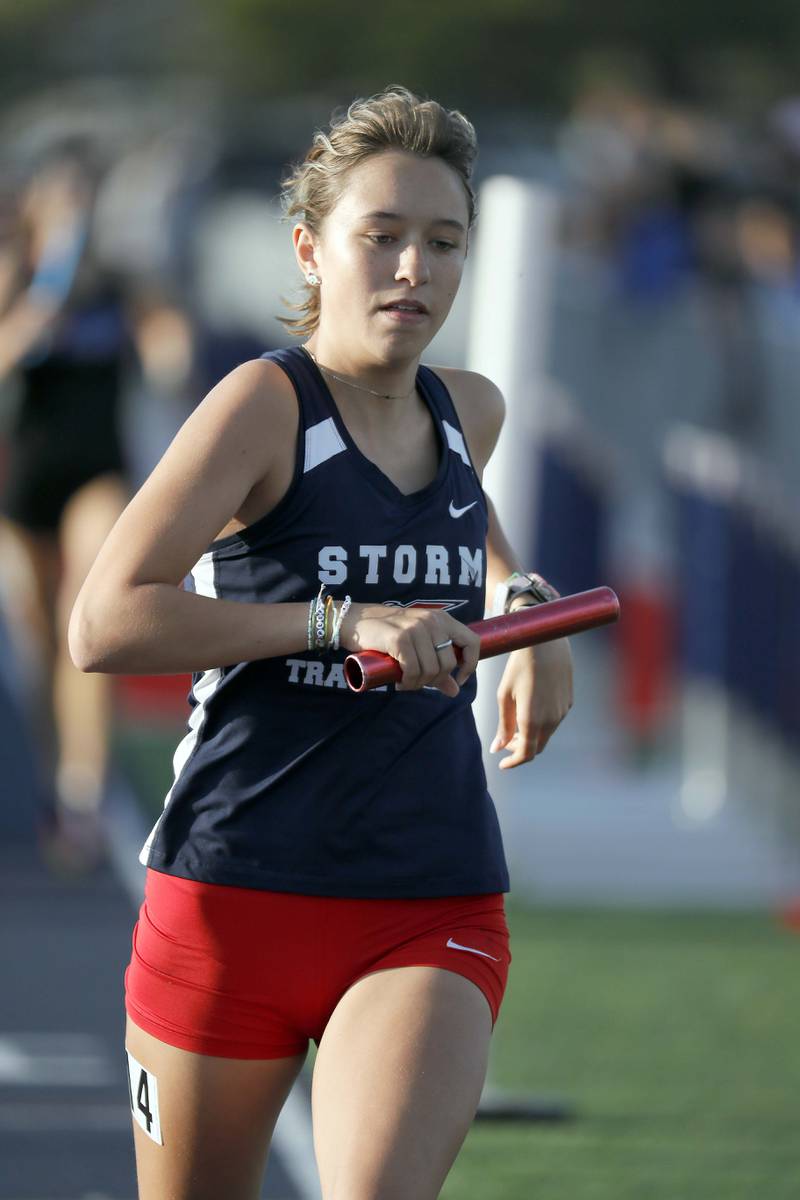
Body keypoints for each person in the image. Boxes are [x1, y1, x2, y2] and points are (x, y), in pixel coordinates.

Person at [69, 87, 573, 1200]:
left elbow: (469, 534)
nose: (412, 268)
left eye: (441, 242)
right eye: (380, 236)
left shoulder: (466, 411)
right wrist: (337, 623)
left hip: (426, 896)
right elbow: (102, 623)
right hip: (230, 895)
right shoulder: (262, 403)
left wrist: (527, 613)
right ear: (308, 246)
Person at [0, 142, 131, 868]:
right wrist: (38, 297)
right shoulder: (17, 277)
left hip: (96, 470)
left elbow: (165, 331)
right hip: (24, 484)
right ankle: (52, 786)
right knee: (37, 640)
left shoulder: (117, 284)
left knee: (85, 616)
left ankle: (85, 791)